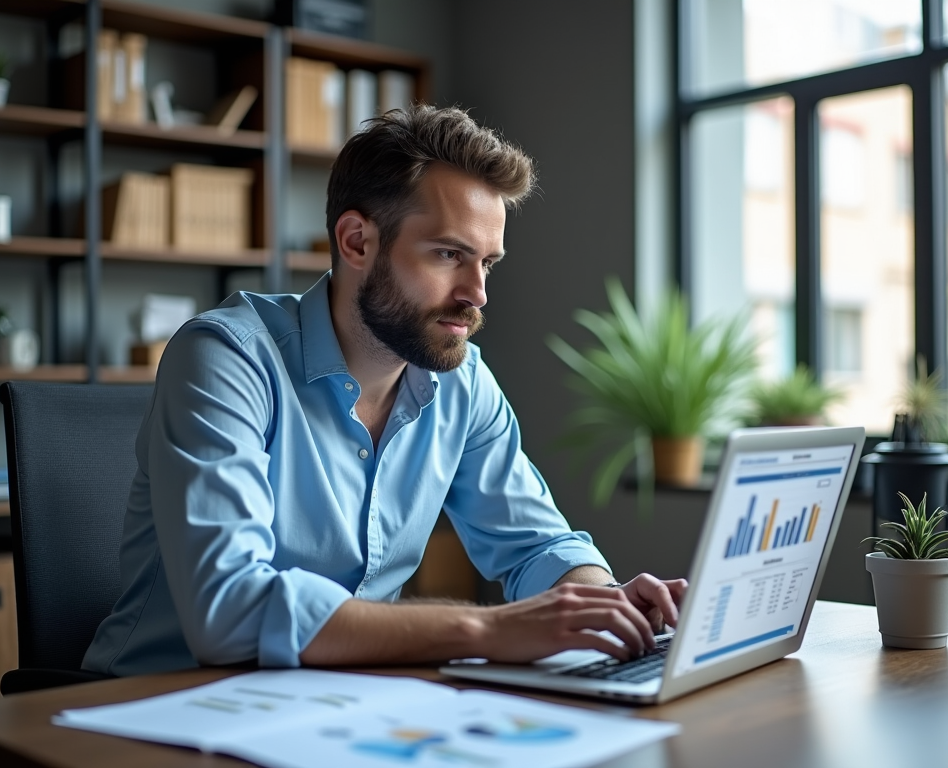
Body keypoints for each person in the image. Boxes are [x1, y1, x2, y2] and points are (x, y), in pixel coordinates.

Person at [83, 105, 686, 677]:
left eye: (488, 263)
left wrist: (602, 604)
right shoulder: (226, 358)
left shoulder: (463, 383)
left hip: (341, 704)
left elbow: (539, 545)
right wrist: (486, 630)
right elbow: (230, 612)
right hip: (157, 708)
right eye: (449, 254)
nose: (476, 293)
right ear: (356, 242)